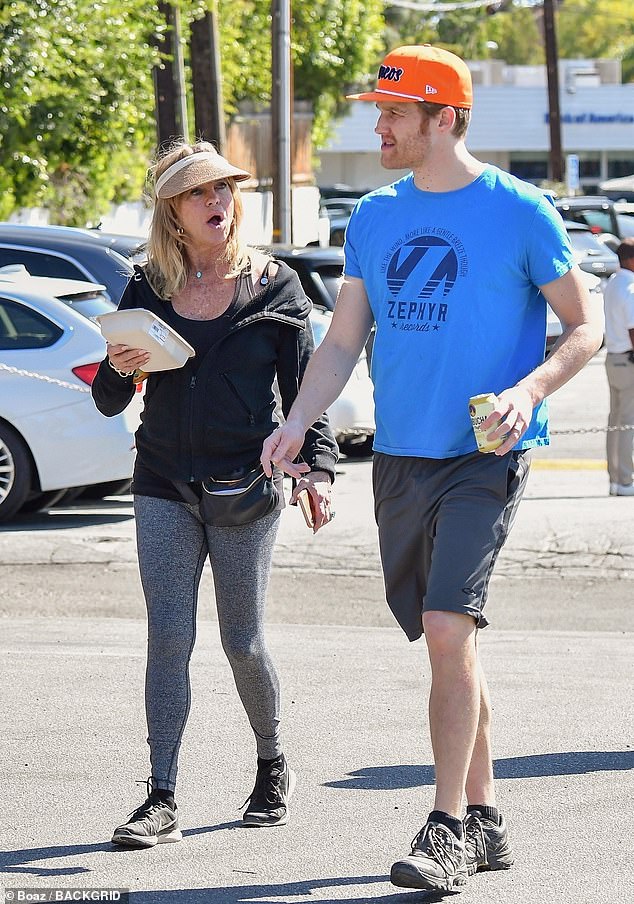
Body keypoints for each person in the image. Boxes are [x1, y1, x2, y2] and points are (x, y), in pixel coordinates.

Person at [261, 45, 603, 893]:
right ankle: (486, 817)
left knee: (451, 629)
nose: (375, 125)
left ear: (443, 118)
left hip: (487, 453)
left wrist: (528, 391)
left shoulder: (521, 211)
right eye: (376, 111)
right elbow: (345, 338)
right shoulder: (373, 215)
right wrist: (297, 422)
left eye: (393, 114)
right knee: (449, 643)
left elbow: (586, 327)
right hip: (401, 453)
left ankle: (445, 826)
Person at [92, 139, 337, 848]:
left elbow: (304, 395)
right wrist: (119, 369)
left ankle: (271, 763)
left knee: (243, 642)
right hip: (163, 481)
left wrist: (316, 471)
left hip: (245, 485)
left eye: (225, 190)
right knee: (168, 638)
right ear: (173, 211)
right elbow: (111, 399)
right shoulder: (146, 287)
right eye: (200, 193)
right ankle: (160, 795)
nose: (217, 203)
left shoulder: (276, 286)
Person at [603, 237, 634, 496]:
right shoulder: (630, 286)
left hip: (612, 358)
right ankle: (625, 480)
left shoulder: (613, 283)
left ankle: (615, 479)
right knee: (627, 424)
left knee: (615, 421)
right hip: (628, 359)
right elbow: (633, 328)